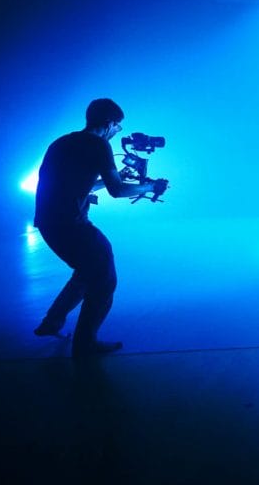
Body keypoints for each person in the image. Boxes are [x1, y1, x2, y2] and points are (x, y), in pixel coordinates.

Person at [32, 98, 156, 359]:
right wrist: (149, 187)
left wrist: (115, 173)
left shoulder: (63, 142)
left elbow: (78, 182)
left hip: (48, 222)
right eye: (117, 127)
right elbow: (118, 190)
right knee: (104, 278)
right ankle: (85, 344)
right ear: (109, 123)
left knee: (88, 270)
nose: (117, 132)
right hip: (71, 224)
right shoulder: (98, 145)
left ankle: (52, 322)